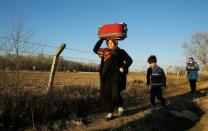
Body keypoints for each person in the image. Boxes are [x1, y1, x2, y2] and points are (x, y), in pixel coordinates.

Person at [93, 38, 133, 120]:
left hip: (116, 76)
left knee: (115, 94)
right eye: (109, 42)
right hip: (105, 77)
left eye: (112, 42)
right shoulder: (104, 51)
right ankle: (110, 113)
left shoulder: (120, 51)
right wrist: (101, 39)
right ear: (107, 43)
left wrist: (124, 67)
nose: (110, 44)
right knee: (107, 95)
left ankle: (120, 106)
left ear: (115, 43)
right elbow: (95, 49)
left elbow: (129, 60)